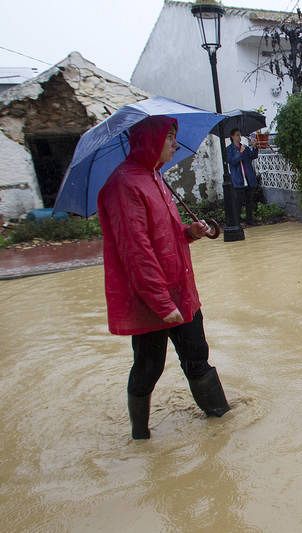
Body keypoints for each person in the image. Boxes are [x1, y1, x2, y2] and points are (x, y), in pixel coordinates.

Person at [97, 115, 230, 440]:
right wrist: (161, 303)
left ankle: (223, 424)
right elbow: (136, 252)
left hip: (180, 291)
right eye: (169, 136)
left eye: (174, 136)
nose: (173, 143)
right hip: (152, 301)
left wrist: (191, 232)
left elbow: (165, 237)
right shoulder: (123, 185)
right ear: (150, 140)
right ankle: (140, 435)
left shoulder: (155, 177)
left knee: (197, 357)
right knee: (148, 366)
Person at [226, 128, 260, 226]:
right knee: (238, 203)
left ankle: (250, 221)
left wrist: (254, 147)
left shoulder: (244, 147)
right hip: (238, 180)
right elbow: (233, 161)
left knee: (250, 202)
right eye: (237, 135)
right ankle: (237, 223)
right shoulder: (229, 150)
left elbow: (253, 156)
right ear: (232, 137)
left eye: (240, 135)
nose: (239, 137)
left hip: (249, 179)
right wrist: (240, 152)